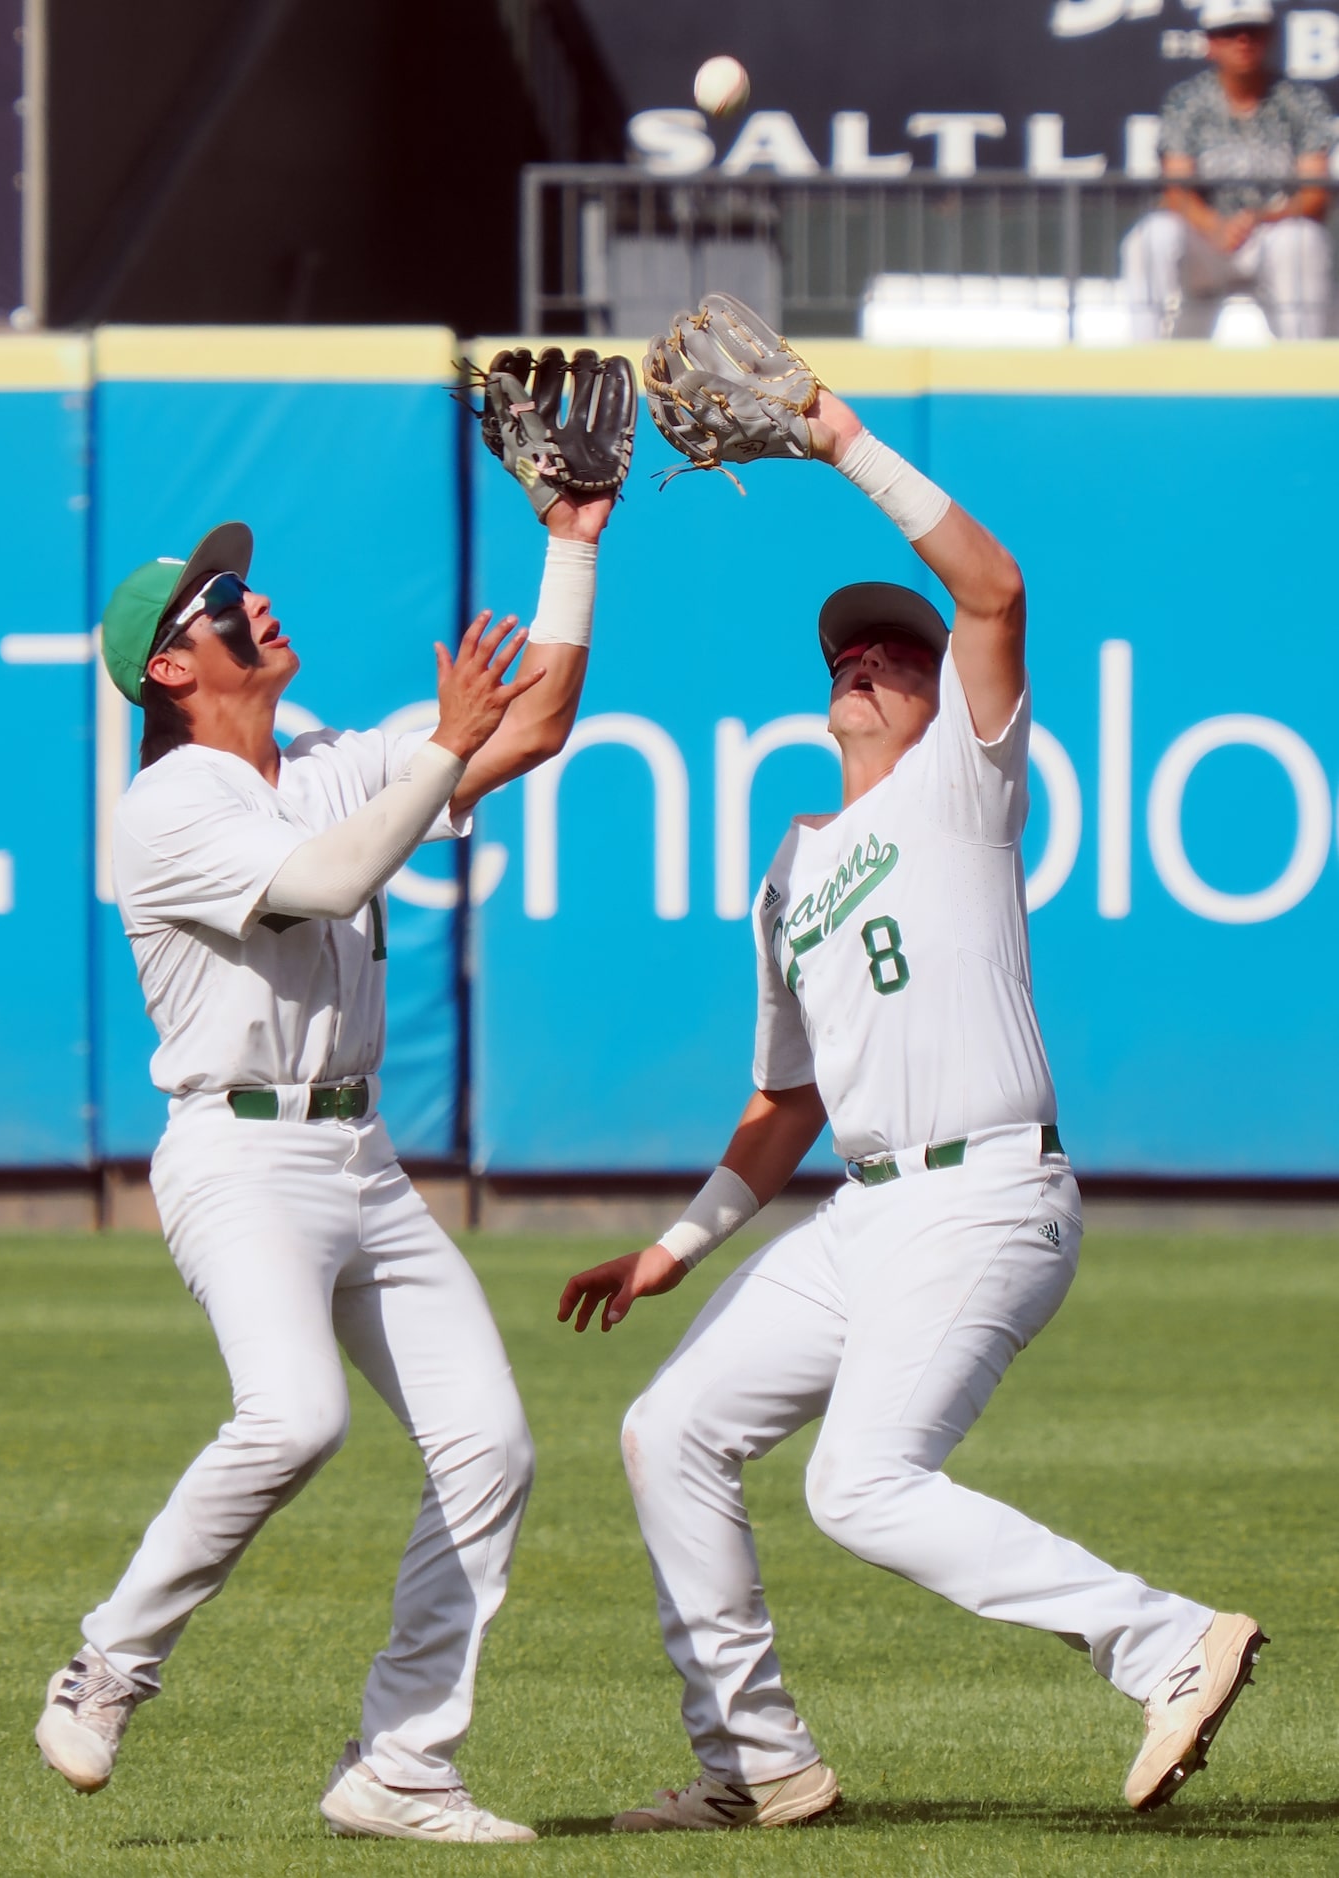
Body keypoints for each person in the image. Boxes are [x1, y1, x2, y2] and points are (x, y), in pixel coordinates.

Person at [559, 384, 1266, 1829]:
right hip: (860, 1209)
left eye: (898, 647)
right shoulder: (790, 870)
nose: (869, 659)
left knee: (859, 1484)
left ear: (944, 690)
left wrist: (831, 432)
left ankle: (1165, 1639)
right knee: (667, 1426)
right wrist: (673, 1248)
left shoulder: (964, 777)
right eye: (848, 648)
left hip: (987, 1191)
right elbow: (783, 1103)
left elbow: (993, 585)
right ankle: (757, 1762)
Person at [34, 455, 613, 1842]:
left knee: (491, 1446)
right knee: (294, 1414)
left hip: (360, 1154)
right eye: (223, 602)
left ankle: (402, 1763)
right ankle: (107, 1661)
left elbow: (532, 722)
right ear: (172, 667)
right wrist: (437, 748)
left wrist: (572, 541)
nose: (256, 602)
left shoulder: (318, 757)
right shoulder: (169, 809)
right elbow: (334, 879)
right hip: (236, 1158)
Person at [1122, 0, 1333, 340]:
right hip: (1207, 237)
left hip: (1272, 234)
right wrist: (1217, 226)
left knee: (1302, 239)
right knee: (1151, 236)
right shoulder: (1187, 101)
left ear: (1269, 37)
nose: (1242, 41)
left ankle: (1304, 371)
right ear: (1210, 43)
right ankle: (1140, 363)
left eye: (1252, 30)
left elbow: (1315, 194)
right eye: (1229, 32)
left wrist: (1261, 218)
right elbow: (1176, 189)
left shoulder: (1301, 101)